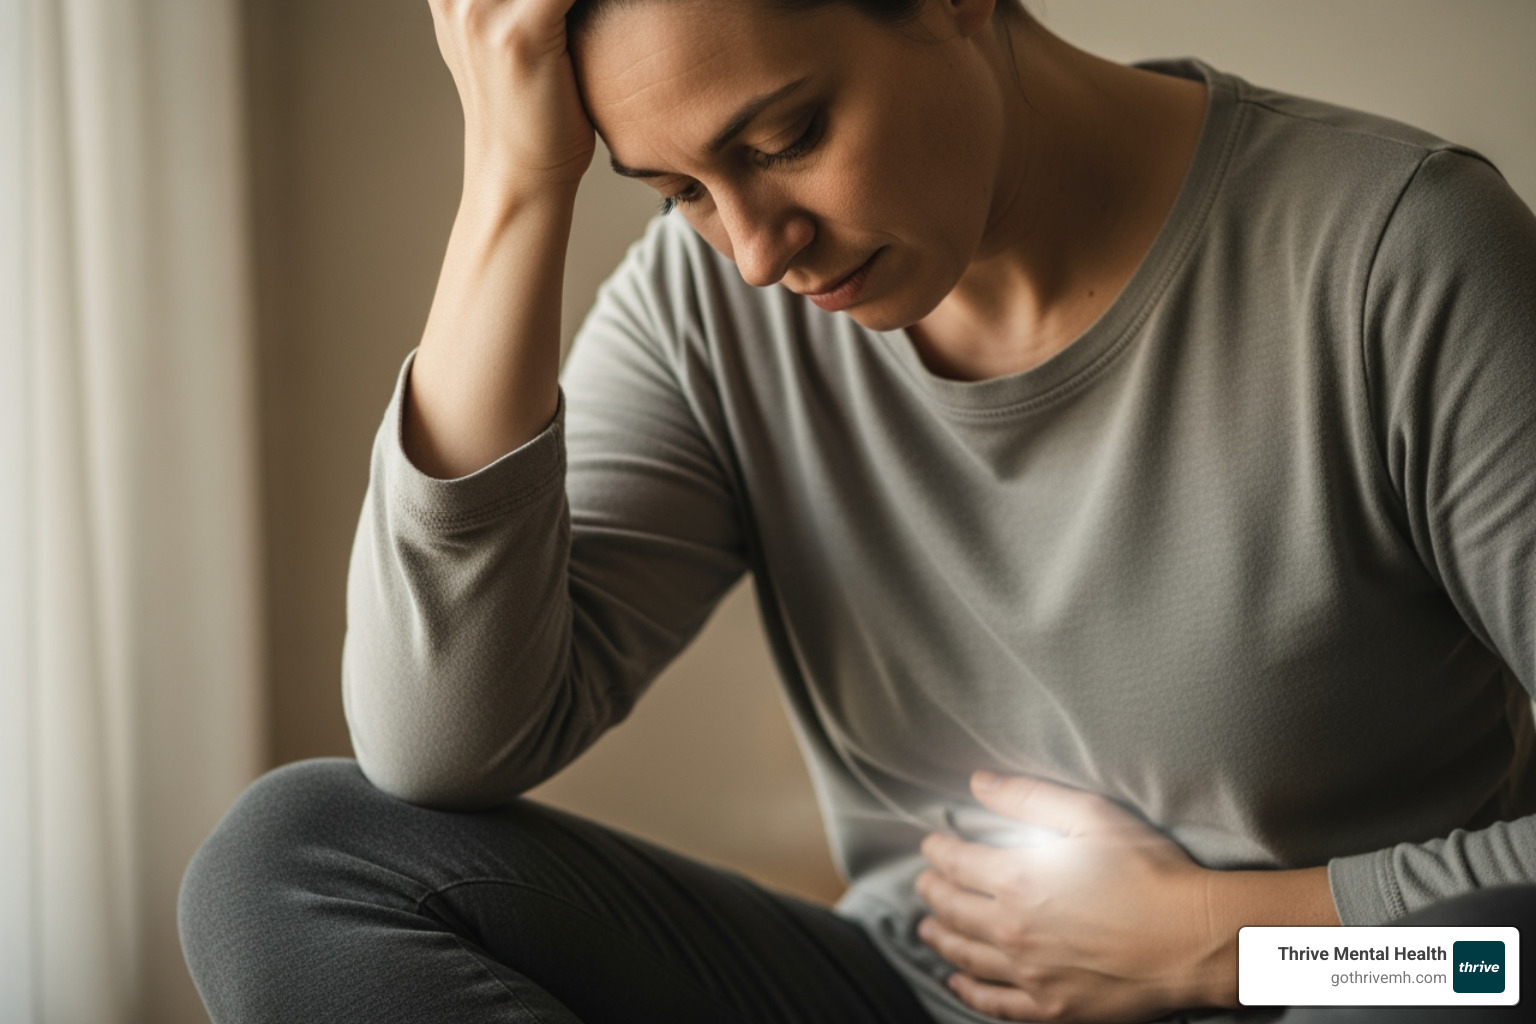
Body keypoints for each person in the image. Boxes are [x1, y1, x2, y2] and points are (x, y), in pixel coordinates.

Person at [178, 0, 1536, 1021]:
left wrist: (1222, 942)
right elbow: (439, 747)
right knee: (294, 865)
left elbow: (1496, 943)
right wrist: (511, 185)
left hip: (1348, 984)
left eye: (781, 141)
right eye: (681, 194)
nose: (760, 250)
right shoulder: (710, 308)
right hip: (924, 993)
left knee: (1489, 958)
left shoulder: (1394, 257)